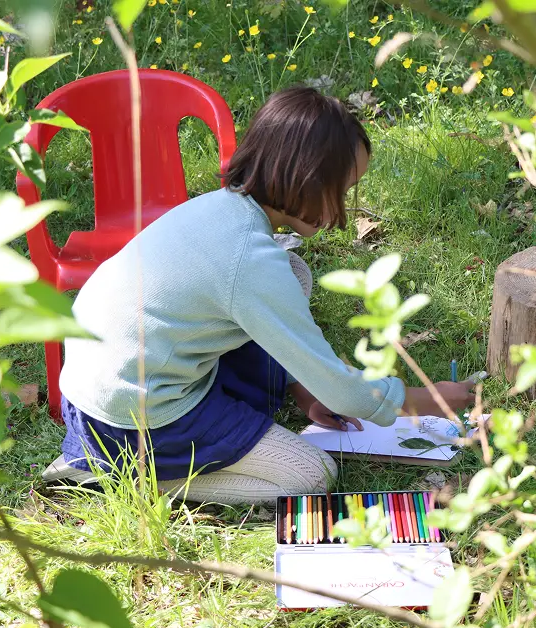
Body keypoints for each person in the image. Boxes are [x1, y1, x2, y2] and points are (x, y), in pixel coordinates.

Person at [43, 86, 475, 504]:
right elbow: (347, 395)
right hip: (133, 419)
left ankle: (128, 451)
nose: (343, 208)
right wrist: (430, 400)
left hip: (95, 382)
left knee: (294, 272)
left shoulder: (222, 208)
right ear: (306, 178)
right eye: (341, 191)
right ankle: (114, 472)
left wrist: (303, 388)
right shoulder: (250, 262)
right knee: (311, 474)